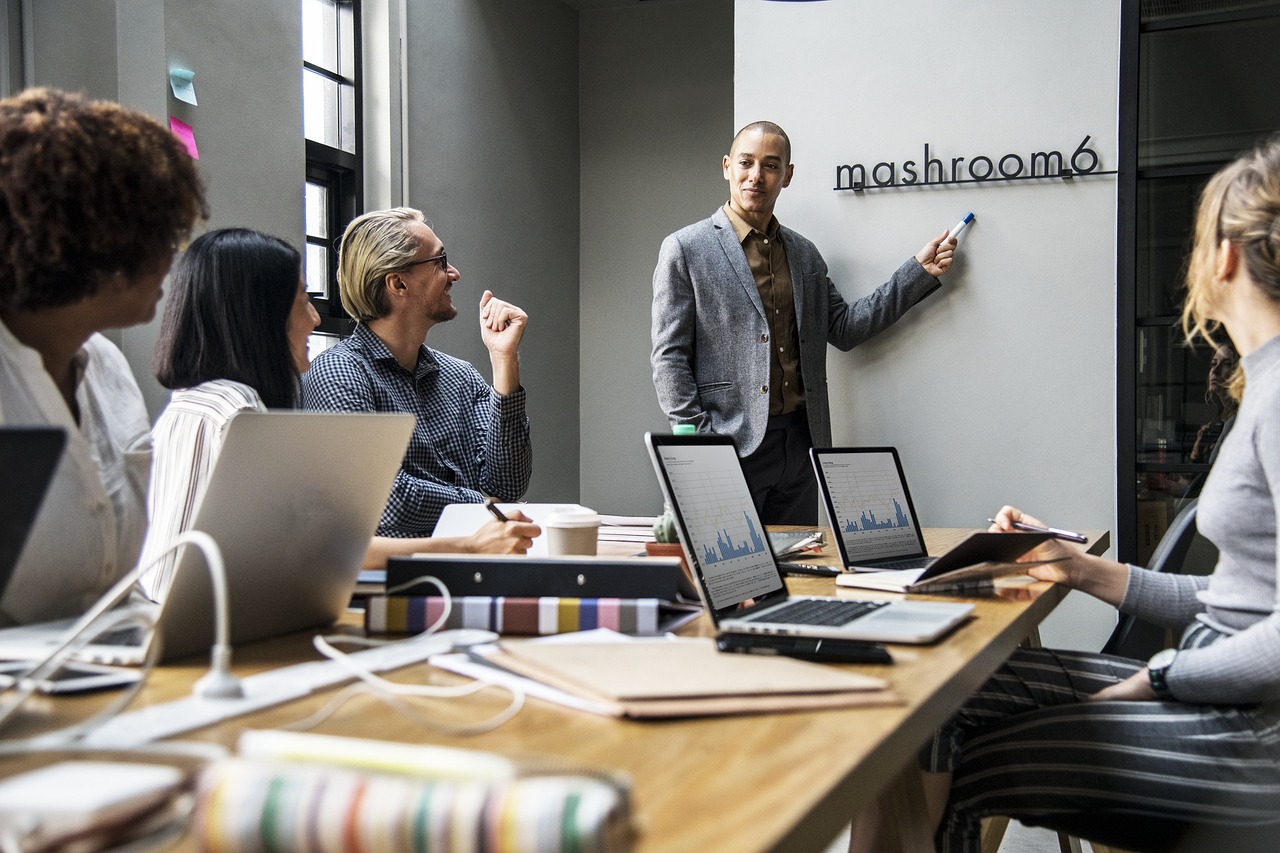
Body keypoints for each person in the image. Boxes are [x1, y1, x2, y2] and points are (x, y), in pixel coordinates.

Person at [859, 137, 1280, 853]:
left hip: (1250, 737)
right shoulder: (1265, 383)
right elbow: (1236, 601)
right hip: (1222, 698)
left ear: (1226, 257)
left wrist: (1160, 677)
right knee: (927, 689)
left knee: (968, 757)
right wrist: (1076, 566)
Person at [140, 228, 540, 601]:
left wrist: (504, 361)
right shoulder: (238, 416)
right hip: (195, 640)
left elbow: (506, 483)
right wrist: (476, 528)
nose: (315, 318)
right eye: (302, 300)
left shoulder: (209, 406)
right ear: (261, 317)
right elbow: (335, 538)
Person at [650, 121, 955, 524]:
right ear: (727, 167)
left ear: (787, 175)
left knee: (797, 573)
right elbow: (669, 358)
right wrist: (703, 440)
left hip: (801, 442)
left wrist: (917, 272)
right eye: (746, 162)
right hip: (728, 442)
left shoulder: (804, 254)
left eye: (771, 165)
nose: (756, 175)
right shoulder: (685, 249)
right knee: (725, 576)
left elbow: (845, 327)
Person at [0, 88, 206, 626]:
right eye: (165, 234)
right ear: (97, 240)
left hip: (109, 672)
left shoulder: (106, 368)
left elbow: (117, 590)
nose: (172, 256)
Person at [301, 208, 532, 536]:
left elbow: (508, 485)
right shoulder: (339, 373)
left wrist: (503, 360)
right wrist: (484, 505)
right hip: (398, 582)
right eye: (440, 260)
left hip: (475, 569)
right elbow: (386, 501)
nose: (454, 273)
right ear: (397, 283)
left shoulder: (461, 376)